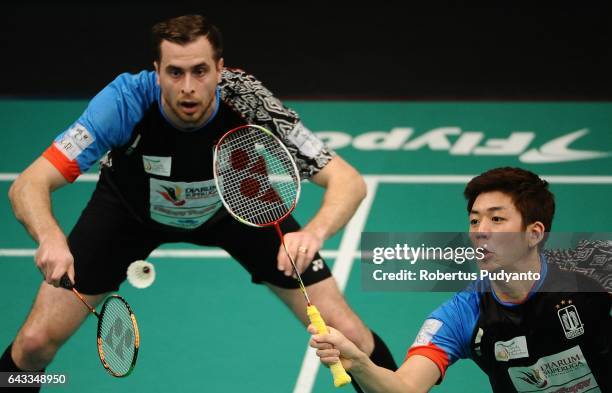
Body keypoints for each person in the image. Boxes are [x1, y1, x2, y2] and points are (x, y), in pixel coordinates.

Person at [0, 14, 396, 392]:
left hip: (239, 207)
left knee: (349, 335)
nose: (188, 86)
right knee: (35, 342)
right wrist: (50, 236)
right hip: (129, 213)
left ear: (220, 69)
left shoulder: (247, 98)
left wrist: (313, 232)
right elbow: (29, 185)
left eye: (200, 71)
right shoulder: (123, 102)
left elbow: (347, 181)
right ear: (157, 71)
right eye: (175, 72)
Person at [309, 167, 611, 392]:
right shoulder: (462, 314)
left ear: (534, 233)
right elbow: (406, 388)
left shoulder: (592, 268)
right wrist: (360, 363)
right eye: (474, 220)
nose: (480, 230)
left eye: (496, 219)